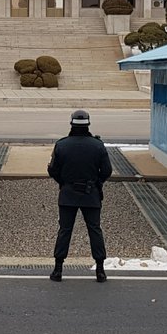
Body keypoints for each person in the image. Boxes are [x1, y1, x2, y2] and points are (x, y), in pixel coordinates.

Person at [47, 109, 114, 282]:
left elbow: (53, 170)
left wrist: (64, 182)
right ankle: (100, 269)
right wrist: (96, 183)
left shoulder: (62, 145)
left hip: (68, 193)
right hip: (90, 194)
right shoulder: (97, 146)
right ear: (88, 125)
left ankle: (58, 269)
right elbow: (107, 170)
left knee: (65, 230)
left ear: (71, 124)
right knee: (94, 230)